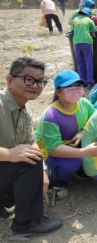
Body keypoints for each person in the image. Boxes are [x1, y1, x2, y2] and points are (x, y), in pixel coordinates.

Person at [0, 57, 63, 236]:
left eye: (40, 81)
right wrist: (9, 154)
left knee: (42, 165)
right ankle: (26, 225)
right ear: (10, 80)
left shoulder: (23, 109)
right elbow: (17, 153)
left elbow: (31, 141)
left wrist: (42, 171)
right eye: (29, 79)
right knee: (28, 160)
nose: (35, 85)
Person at [35, 70, 97, 185]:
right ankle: (60, 180)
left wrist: (81, 133)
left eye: (78, 86)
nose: (75, 90)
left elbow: (94, 122)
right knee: (72, 163)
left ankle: (81, 168)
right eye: (69, 87)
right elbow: (54, 149)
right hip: (49, 153)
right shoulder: (50, 116)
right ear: (58, 92)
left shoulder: (84, 103)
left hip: (72, 142)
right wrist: (84, 151)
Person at [71, 8, 97, 86]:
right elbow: (93, 33)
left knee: (80, 63)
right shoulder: (89, 20)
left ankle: (82, 81)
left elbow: (72, 30)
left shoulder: (75, 20)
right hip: (86, 42)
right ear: (88, 15)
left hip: (76, 43)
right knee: (88, 62)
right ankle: (90, 81)